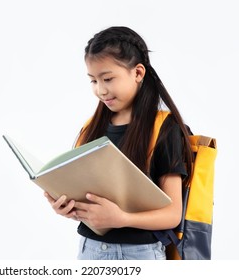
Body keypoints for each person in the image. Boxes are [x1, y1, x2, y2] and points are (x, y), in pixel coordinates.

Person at [44, 26, 193, 260]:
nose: (100, 90)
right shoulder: (91, 127)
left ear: (138, 73)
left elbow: (173, 214)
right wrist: (68, 207)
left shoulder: (164, 128)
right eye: (93, 80)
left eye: (108, 78)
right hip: (90, 250)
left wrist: (122, 218)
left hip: (139, 254)